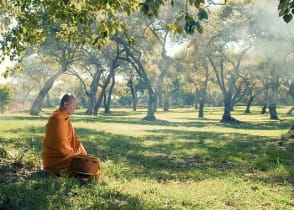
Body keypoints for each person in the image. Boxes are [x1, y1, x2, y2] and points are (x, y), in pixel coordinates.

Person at [42, 93, 87, 174]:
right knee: (88, 166)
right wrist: (74, 156)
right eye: (74, 105)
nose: (75, 108)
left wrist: (81, 153)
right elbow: (61, 146)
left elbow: (75, 141)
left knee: (90, 163)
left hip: (66, 155)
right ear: (66, 104)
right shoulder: (58, 119)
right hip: (56, 161)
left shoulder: (64, 118)